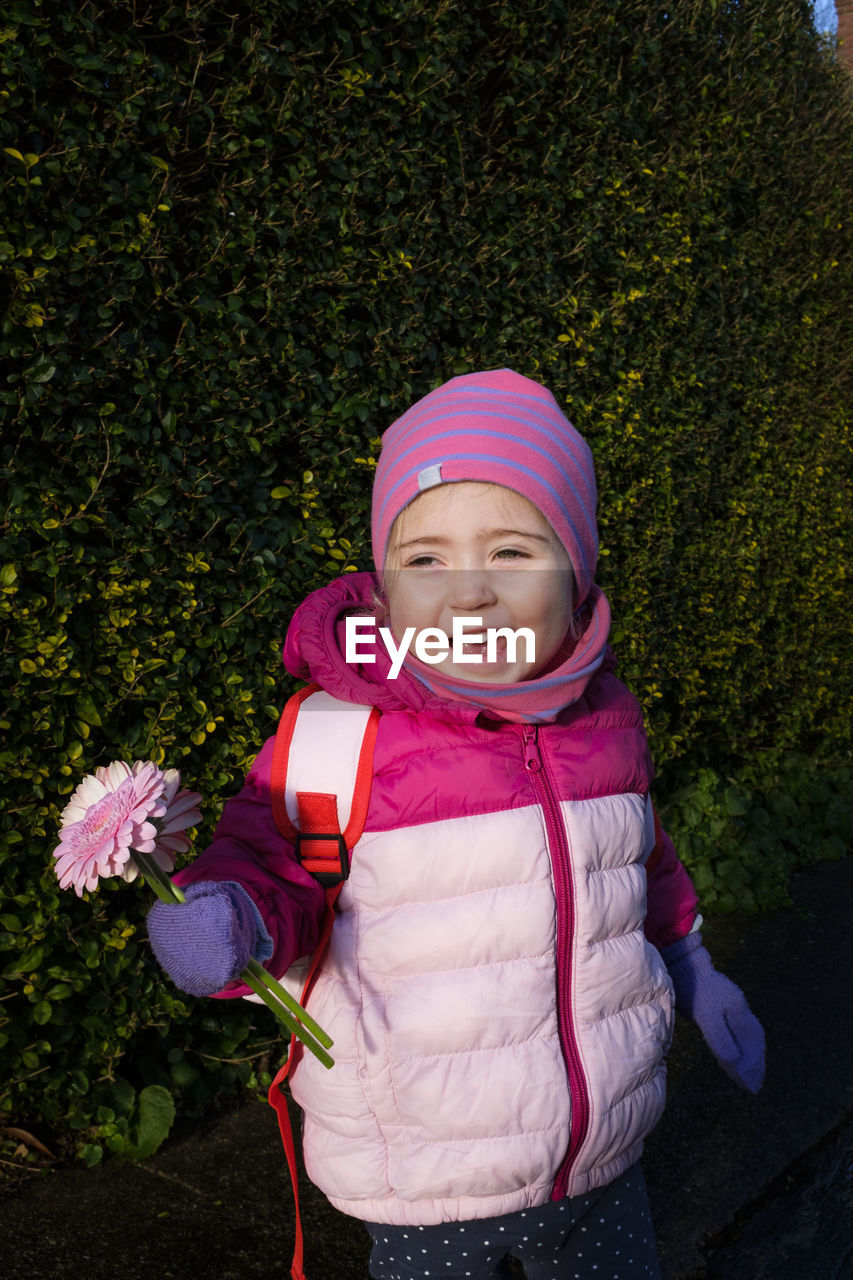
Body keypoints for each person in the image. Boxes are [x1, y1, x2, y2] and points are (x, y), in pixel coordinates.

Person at [148, 369, 765, 1280]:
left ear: (577, 571)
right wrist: (231, 916)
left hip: (602, 1154)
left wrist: (694, 965)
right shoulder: (336, 738)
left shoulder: (604, 718)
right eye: (425, 560)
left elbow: (638, 858)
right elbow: (268, 861)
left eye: (511, 553)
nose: (467, 597)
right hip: (426, 1180)